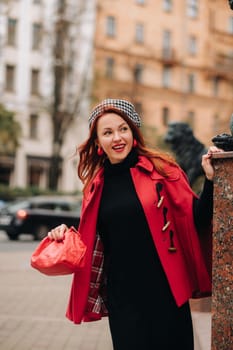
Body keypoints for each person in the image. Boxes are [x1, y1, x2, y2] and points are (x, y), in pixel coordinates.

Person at [48, 99, 221, 350]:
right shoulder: (95, 188)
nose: (117, 137)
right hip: (124, 299)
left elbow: (198, 219)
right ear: (98, 141)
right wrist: (63, 234)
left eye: (123, 129)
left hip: (167, 294)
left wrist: (211, 181)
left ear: (133, 133)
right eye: (107, 132)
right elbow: (90, 238)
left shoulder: (163, 171)